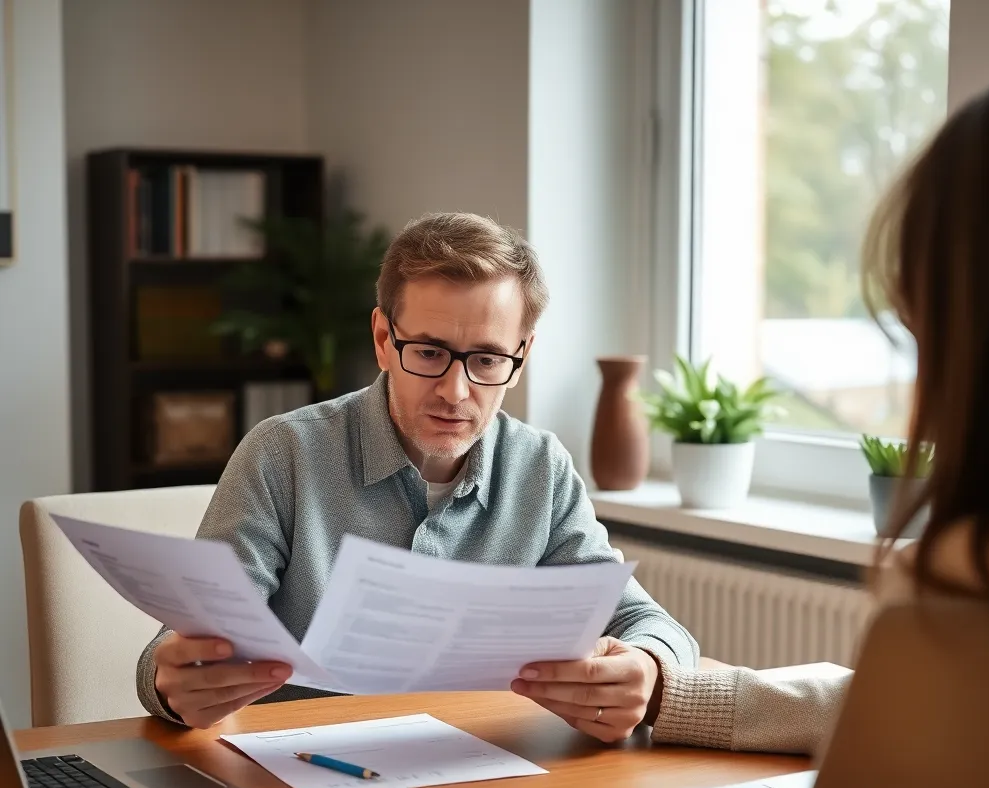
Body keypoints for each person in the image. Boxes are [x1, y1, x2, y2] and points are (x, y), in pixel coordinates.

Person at [525, 64, 989, 754]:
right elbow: (890, 704)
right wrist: (665, 690)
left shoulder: (977, 581)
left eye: (925, 336)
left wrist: (652, 663)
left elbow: (640, 617)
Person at [138, 212, 700, 734]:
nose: (455, 392)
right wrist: (172, 682)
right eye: (430, 353)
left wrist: (648, 666)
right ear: (384, 340)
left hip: (484, 768)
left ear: (521, 357)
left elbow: (645, 621)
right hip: (301, 768)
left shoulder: (540, 469)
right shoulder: (284, 454)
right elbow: (182, 646)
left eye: (487, 359)